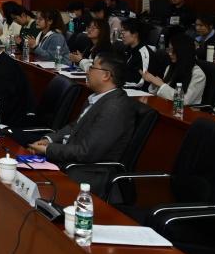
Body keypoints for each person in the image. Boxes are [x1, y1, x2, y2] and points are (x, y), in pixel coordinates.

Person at [25, 52, 136, 193]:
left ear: (106, 75)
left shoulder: (114, 108)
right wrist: (49, 140)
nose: (87, 71)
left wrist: (48, 150)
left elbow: (86, 152)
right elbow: (74, 126)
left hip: (85, 175)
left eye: (92, 67)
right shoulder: (97, 97)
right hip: (68, 162)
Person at [141, 34, 205, 106]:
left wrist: (161, 84)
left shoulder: (198, 75)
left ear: (183, 52)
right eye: (169, 50)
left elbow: (185, 101)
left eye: (173, 51)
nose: (170, 54)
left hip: (185, 111)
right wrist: (154, 83)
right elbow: (162, 94)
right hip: (166, 106)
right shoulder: (170, 67)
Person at [119, 18, 162, 89]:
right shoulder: (126, 50)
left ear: (135, 34)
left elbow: (140, 82)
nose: (121, 36)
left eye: (123, 32)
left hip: (139, 91)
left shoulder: (145, 54)